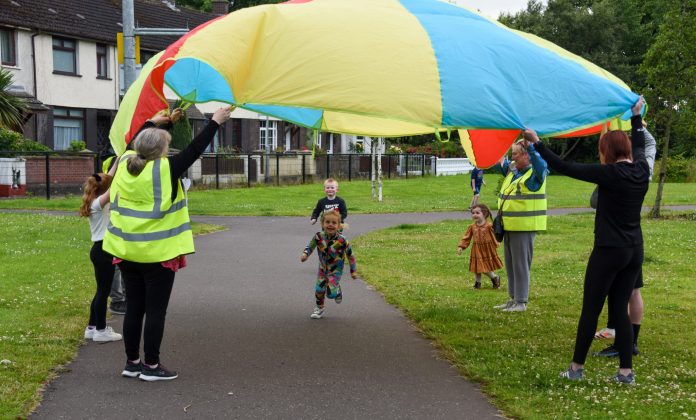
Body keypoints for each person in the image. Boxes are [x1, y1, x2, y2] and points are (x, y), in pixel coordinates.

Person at [103, 106, 231, 381]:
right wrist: (216, 122)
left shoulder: (125, 162)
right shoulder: (167, 169)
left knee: (135, 308)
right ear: (161, 151)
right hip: (159, 254)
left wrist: (154, 122)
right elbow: (195, 149)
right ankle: (152, 366)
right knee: (156, 312)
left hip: (126, 252)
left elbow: (133, 142)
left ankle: (132, 363)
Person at [526, 97, 648, 384]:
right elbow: (640, 146)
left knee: (591, 309)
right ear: (627, 149)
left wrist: (537, 142)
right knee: (620, 307)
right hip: (634, 250)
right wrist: (636, 117)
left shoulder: (609, 174)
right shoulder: (642, 170)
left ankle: (576, 368)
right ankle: (626, 372)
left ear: (607, 151)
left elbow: (564, 167)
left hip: (609, 250)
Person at [593, 123, 657, 358]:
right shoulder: (643, 167)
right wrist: (640, 127)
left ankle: (623, 342)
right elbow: (649, 145)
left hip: (614, 241)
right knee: (633, 291)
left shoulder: (613, 171)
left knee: (619, 293)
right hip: (634, 240)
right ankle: (629, 342)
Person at [493, 139, 548, 312]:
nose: (512, 158)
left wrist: (532, 146)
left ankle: (521, 301)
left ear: (526, 155)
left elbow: (541, 165)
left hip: (523, 226)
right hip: (510, 226)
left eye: (515, 154)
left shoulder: (534, 174)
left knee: (520, 264)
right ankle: (513, 298)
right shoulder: (514, 171)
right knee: (511, 264)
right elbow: (497, 160)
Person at [79, 161, 122, 343]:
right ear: (103, 189)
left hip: (98, 249)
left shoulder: (93, 201)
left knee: (100, 290)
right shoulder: (99, 204)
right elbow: (115, 186)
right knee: (103, 292)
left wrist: (119, 158)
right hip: (104, 249)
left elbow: (109, 179)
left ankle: (91, 327)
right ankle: (101, 330)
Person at [300, 209, 357, 319]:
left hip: (335, 271)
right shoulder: (318, 237)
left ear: (339, 225)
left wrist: (353, 270)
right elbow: (310, 246)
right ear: (322, 223)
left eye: (334, 223)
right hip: (322, 270)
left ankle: (337, 291)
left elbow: (351, 256)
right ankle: (319, 308)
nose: (330, 225)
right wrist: (305, 254)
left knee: (331, 294)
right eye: (327, 222)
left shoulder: (342, 240)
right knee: (319, 290)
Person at [101, 155, 127, 316]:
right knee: (116, 268)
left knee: (123, 266)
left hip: (119, 234)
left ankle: (123, 298)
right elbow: (108, 179)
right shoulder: (103, 197)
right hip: (109, 237)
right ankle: (117, 301)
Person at [457, 203, 502, 289]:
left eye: (477, 213)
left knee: (484, 267)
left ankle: (494, 277)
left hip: (487, 249)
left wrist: (496, 243)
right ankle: (477, 284)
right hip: (476, 249)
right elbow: (466, 238)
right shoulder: (472, 227)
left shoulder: (489, 226)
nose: (475, 215)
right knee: (476, 267)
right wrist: (461, 247)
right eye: (473, 213)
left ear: (484, 214)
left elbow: (495, 235)